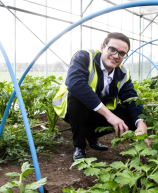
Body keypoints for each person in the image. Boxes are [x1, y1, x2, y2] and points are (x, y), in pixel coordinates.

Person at [53, 32, 150, 162]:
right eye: (112, 49)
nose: (116, 56)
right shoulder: (84, 57)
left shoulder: (122, 72)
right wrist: (110, 116)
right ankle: (79, 146)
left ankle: (91, 134)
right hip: (71, 109)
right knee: (78, 95)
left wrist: (141, 124)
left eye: (121, 53)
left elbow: (131, 99)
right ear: (102, 47)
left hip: (95, 110)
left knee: (129, 116)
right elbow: (75, 84)